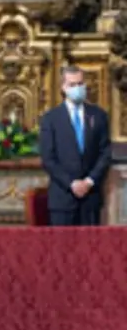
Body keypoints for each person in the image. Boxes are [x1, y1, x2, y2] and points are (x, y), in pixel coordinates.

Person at [39, 65, 111, 226]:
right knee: (62, 249)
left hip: (91, 198)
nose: (78, 88)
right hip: (62, 199)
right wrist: (72, 184)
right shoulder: (51, 119)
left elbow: (105, 152)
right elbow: (48, 158)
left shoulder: (98, 115)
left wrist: (89, 181)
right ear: (63, 88)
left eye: (80, 84)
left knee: (91, 249)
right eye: (72, 85)